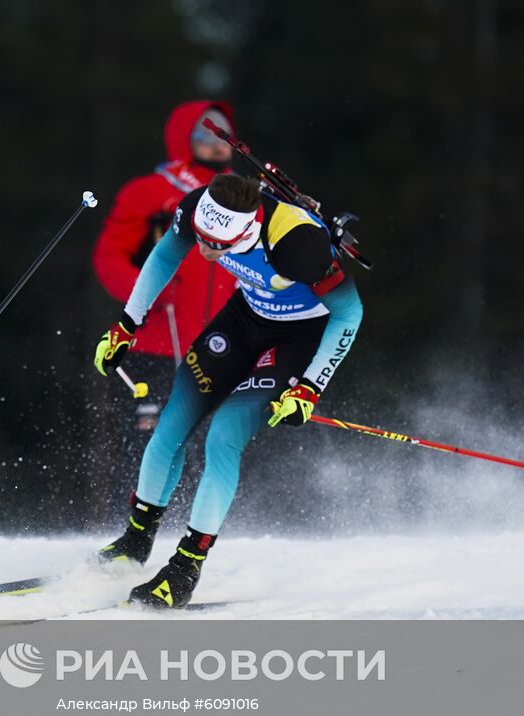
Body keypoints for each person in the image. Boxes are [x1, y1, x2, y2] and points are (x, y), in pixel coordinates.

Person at [93, 172, 364, 608]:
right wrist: (128, 324)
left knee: (223, 437)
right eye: (202, 236)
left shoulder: (297, 245)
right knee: (171, 426)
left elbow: (349, 314)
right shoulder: (202, 204)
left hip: (296, 339)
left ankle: (184, 570)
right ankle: (135, 541)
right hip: (242, 320)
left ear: (249, 228)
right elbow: (165, 256)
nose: (204, 250)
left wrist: (310, 387)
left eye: (217, 246)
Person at [91, 101, 240, 426]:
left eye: (223, 137)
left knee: (221, 451)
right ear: (183, 140)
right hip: (157, 348)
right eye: (205, 136)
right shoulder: (149, 192)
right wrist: (148, 292)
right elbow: (108, 258)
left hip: (224, 350)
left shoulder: (244, 199)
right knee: (149, 455)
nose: (216, 146)